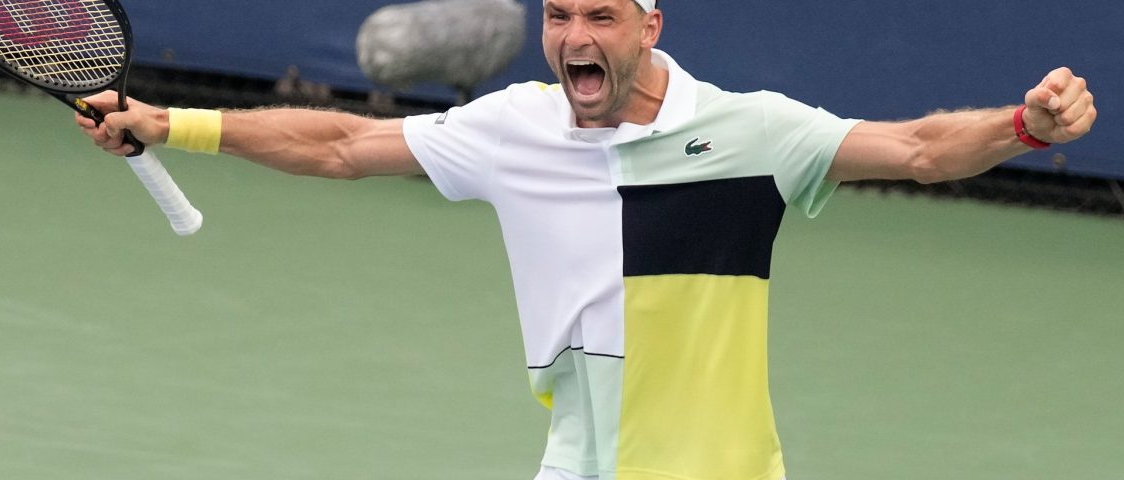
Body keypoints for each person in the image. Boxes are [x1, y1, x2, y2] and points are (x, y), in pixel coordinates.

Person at [75, 1, 1097, 479]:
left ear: (650, 25)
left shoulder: (753, 132)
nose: (574, 37)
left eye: (600, 15)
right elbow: (342, 145)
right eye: (559, 14)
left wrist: (1024, 127)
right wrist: (173, 123)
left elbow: (919, 149)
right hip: (576, 462)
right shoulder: (513, 127)